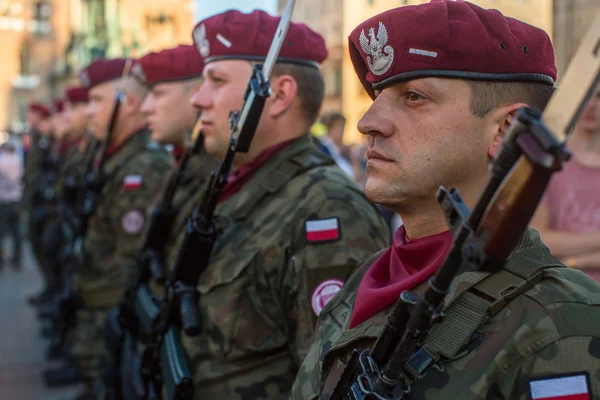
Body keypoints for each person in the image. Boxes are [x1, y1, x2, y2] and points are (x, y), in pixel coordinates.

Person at [290, 1, 600, 399]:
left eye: (414, 97)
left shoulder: (561, 323)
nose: (368, 122)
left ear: (505, 131)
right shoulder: (364, 280)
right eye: (380, 94)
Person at [164, 10, 390, 399]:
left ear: (279, 95)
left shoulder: (325, 208)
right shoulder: (234, 185)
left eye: (216, 81)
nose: (198, 99)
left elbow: (329, 381)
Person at [43, 58, 172, 399]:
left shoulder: (145, 164)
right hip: (96, 297)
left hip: (112, 305)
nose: (88, 112)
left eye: (97, 101)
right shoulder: (114, 155)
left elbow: (133, 256)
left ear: (126, 103)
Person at [531, 82, 600, 280]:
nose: (591, 105)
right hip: (560, 293)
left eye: (599, 96)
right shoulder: (549, 159)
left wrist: (573, 262)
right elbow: (540, 239)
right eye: (585, 95)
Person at [0, 141, 23, 269]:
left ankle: (1, 260)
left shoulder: (1, 161)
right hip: (16, 199)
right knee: (16, 231)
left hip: (3, 200)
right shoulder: (18, 160)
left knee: (1, 232)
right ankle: (17, 259)